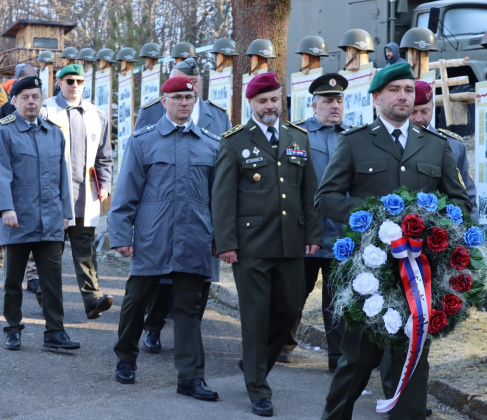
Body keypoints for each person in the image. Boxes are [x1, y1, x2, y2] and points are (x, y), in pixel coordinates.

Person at [315, 62, 471, 420]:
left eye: (408, 90)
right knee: (357, 361)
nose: (404, 96)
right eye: (395, 90)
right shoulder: (354, 142)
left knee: (413, 359)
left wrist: (435, 226)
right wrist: (378, 216)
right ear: (376, 97)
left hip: (420, 276)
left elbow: (460, 201)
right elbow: (327, 198)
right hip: (370, 274)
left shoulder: (435, 145)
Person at [212, 73, 323, 417]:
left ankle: (255, 362)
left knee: (290, 310)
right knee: (256, 316)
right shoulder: (234, 141)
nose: (270, 106)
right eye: (263, 101)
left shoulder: (297, 138)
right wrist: (226, 243)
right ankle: (259, 387)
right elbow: (223, 197)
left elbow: (309, 191)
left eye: (275, 99)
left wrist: (313, 235)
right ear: (251, 104)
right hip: (251, 245)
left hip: (291, 242)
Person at [109, 76, 220, 402]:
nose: (184, 103)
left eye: (189, 97)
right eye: (177, 97)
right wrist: (121, 234)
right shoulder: (143, 141)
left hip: (194, 238)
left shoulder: (211, 144)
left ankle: (190, 376)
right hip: (151, 236)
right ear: (164, 102)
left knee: (188, 308)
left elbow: (219, 200)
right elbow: (126, 192)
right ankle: (126, 359)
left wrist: (221, 239)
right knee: (136, 300)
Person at [134, 57, 231, 353]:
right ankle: (152, 328)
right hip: (163, 217)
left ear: (199, 85)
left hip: (198, 217)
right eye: (179, 86)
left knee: (196, 283)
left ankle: (188, 341)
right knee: (161, 281)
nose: (187, 95)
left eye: (193, 85)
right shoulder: (151, 112)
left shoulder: (218, 115)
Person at [0, 76, 77, 351]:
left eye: (36, 97)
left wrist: (66, 212)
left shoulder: (53, 132)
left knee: (52, 280)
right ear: (14, 101)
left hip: (50, 217)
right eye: (25, 97)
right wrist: (5, 209)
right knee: (13, 280)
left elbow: (63, 175)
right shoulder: (3, 130)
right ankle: (12, 328)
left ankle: (55, 332)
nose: (31, 102)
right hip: (17, 218)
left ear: (42, 100)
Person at [277, 73, 350, 371]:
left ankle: (338, 357)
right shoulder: (297, 134)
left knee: (338, 301)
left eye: (339, 100)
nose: (335, 106)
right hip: (306, 231)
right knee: (293, 296)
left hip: (342, 235)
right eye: (329, 100)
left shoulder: (352, 136)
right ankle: (280, 344)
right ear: (314, 104)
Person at [40, 64, 114, 319]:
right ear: (59, 83)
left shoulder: (96, 114)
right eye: (69, 81)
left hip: (84, 196)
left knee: (85, 252)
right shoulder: (46, 110)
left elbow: (105, 156)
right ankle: (47, 300)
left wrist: (104, 185)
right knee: (51, 254)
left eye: (79, 81)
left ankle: (92, 300)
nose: (74, 86)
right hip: (53, 196)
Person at [0, 64, 42, 289]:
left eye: (31, 79)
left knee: (37, 229)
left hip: (35, 183)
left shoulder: (43, 110)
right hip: (9, 183)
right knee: (1, 229)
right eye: (22, 79)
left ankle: (33, 274)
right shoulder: (5, 111)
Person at [410, 80, 478, 222]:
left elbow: (468, 195)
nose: (418, 118)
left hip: (442, 229)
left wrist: (471, 230)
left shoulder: (454, 145)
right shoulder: (395, 142)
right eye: (413, 112)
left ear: (432, 107)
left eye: (424, 111)